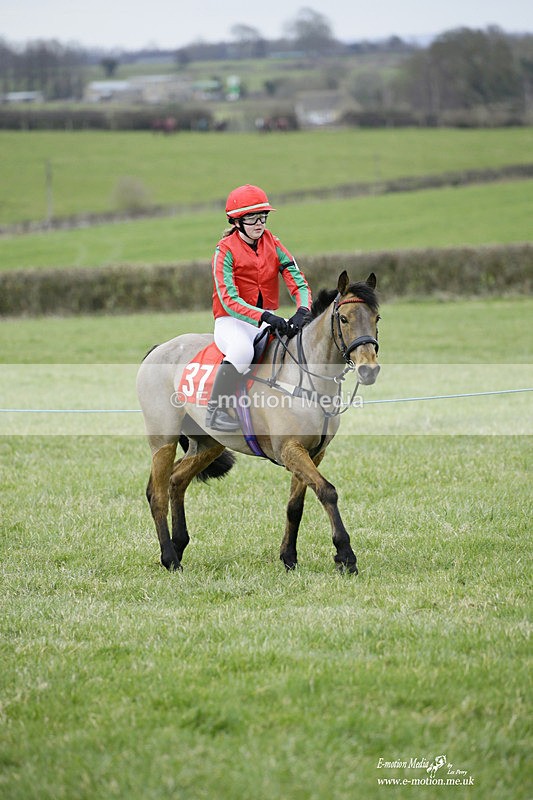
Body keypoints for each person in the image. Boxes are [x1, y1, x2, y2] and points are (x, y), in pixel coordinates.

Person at [206, 184, 312, 432]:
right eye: (252, 218)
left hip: (266, 318)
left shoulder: (273, 243)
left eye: (263, 217)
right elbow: (228, 299)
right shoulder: (224, 251)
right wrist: (264, 316)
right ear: (237, 221)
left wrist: (302, 310)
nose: (259, 223)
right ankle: (216, 409)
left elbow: (297, 280)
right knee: (242, 351)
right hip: (231, 321)